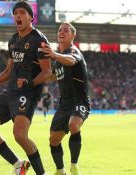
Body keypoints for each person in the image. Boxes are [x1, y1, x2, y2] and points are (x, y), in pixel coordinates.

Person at [0, 1, 51, 175]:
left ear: (31, 17)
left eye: (22, 12)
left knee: (19, 135)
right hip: (10, 91)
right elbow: (9, 70)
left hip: (28, 92)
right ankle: (19, 164)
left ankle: (42, 173)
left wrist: (29, 83)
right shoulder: (14, 39)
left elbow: (47, 72)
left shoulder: (39, 40)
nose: (18, 15)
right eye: (15, 13)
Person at [43, 22, 91, 175]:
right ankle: (60, 170)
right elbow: (51, 76)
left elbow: (71, 60)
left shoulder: (74, 51)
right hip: (64, 104)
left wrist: (55, 54)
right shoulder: (58, 61)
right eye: (59, 30)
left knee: (74, 125)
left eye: (65, 30)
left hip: (80, 100)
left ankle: (74, 166)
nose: (61, 32)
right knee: (53, 139)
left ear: (72, 35)